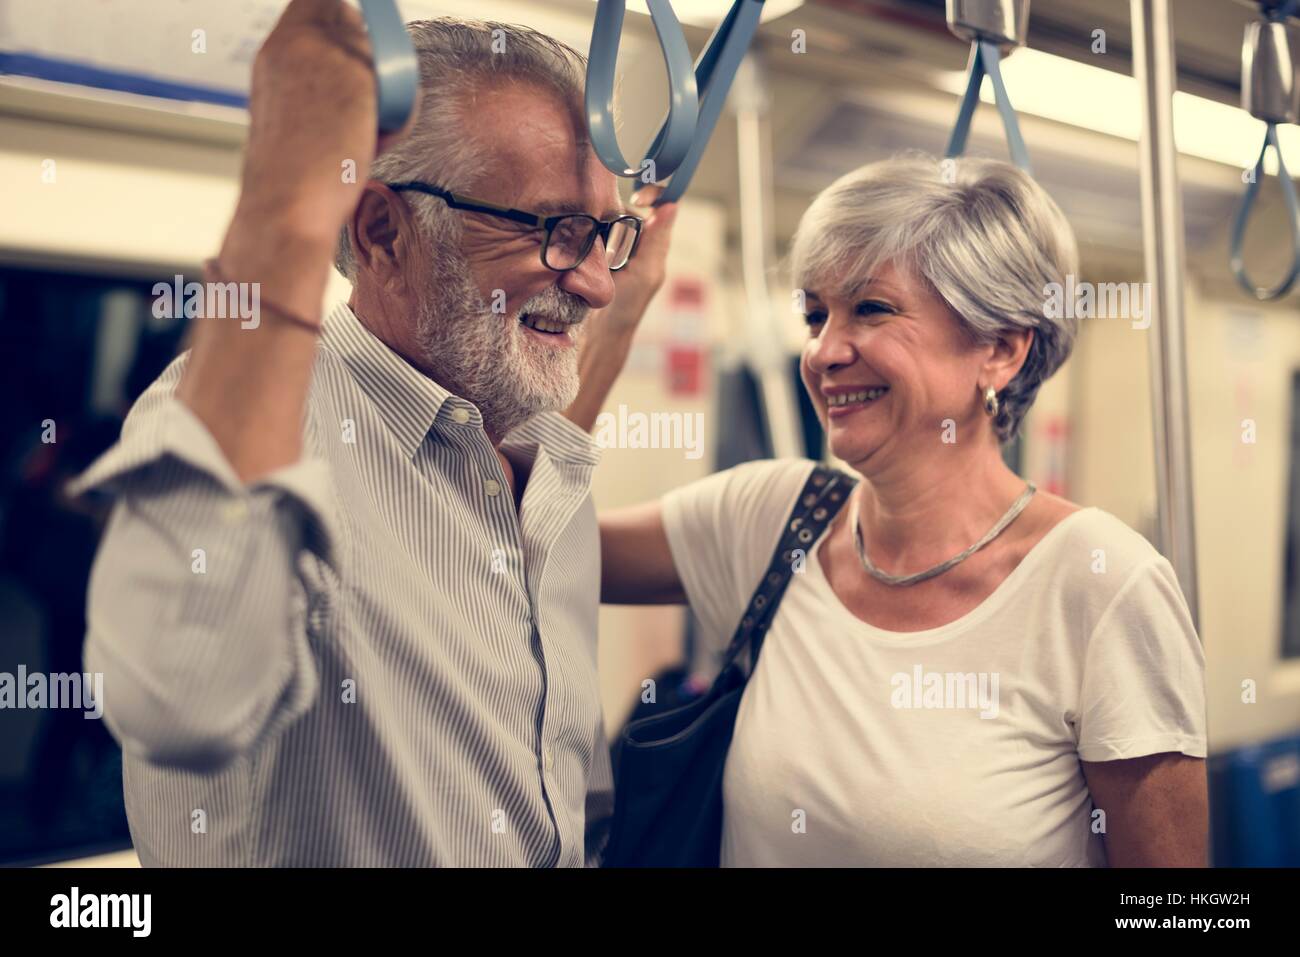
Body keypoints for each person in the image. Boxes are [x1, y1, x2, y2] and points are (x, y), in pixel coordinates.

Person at [70, 4, 676, 866]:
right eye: (552, 229)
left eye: (604, 236)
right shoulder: (262, 425)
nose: (597, 285)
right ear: (383, 229)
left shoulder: (543, 462)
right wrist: (284, 202)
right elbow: (180, 702)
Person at [595, 153, 1209, 867]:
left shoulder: (1102, 583)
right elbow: (523, 535)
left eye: (872, 309)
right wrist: (617, 315)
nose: (823, 351)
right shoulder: (771, 519)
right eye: (816, 314)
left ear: (1001, 349)